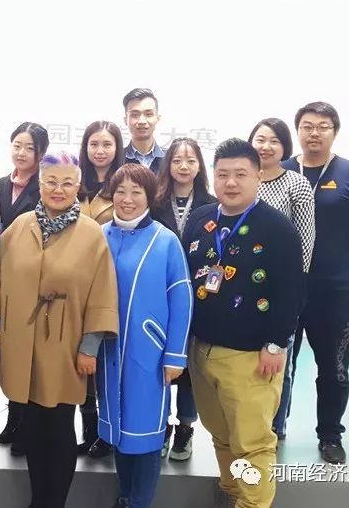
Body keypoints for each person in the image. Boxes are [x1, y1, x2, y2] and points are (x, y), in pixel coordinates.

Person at [0, 151, 119, 508]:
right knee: (32, 426)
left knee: (59, 426)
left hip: (65, 345)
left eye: (67, 183)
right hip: (21, 341)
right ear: (40, 184)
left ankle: (53, 501)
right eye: (51, 182)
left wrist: (89, 346)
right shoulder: (19, 226)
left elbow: (102, 293)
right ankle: (37, 499)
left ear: (78, 186)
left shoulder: (91, 234)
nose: (59, 190)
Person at [184, 138, 303, 508]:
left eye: (240, 174)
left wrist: (276, 344)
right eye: (223, 174)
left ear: (258, 176)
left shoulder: (277, 227)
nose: (231, 182)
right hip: (201, 350)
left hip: (251, 357)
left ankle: (253, 503)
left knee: (253, 444)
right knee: (221, 436)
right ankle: (233, 492)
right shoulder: (201, 219)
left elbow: (291, 291)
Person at [282, 102, 349, 464]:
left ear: (334, 132)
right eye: (307, 126)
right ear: (297, 131)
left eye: (323, 126)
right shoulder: (282, 172)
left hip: (332, 291)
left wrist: (337, 260)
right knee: (278, 365)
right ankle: (274, 427)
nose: (314, 133)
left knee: (333, 368)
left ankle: (330, 435)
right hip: (285, 289)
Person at [97, 163, 192, 508]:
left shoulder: (165, 240)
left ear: (150, 196)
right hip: (107, 350)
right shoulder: (99, 235)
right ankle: (125, 497)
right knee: (119, 428)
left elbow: (182, 298)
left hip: (148, 353)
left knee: (146, 432)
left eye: (136, 192)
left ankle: (139, 502)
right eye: (120, 191)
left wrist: (174, 355)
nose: (127, 199)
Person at [249, 117, 316, 441]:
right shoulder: (243, 178)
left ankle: (276, 425)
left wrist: (293, 289)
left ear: (285, 146)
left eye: (274, 140)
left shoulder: (296, 184)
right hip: (243, 287)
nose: (266, 146)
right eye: (260, 139)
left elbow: (305, 243)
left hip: (279, 288)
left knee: (279, 362)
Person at [150, 137, 216, 461]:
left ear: (200, 165)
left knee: (190, 367)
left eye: (190, 160)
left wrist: (211, 288)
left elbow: (219, 253)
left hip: (200, 297)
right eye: (177, 160)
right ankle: (161, 425)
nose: (184, 166)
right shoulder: (155, 202)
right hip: (160, 295)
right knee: (159, 361)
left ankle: (186, 428)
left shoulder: (212, 204)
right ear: (168, 165)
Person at [0, 122, 50, 456]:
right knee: (8, 353)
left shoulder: (45, 188)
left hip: (31, 280)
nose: (22, 152)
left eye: (29, 147)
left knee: (29, 353)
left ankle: (26, 423)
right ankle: (13, 414)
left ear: (41, 153)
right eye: (17, 145)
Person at [76, 120, 125, 458]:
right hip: (75, 282)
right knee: (80, 360)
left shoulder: (124, 184)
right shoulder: (74, 182)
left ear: (117, 148)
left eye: (107, 144)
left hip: (112, 279)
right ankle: (89, 431)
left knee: (106, 358)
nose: (100, 150)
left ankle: (108, 432)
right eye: (94, 144)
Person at [122, 88, 164, 173]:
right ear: (126, 120)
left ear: (158, 118)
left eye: (148, 114)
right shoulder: (116, 159)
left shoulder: (171, 159)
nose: (142, 121)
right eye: (135, 115)